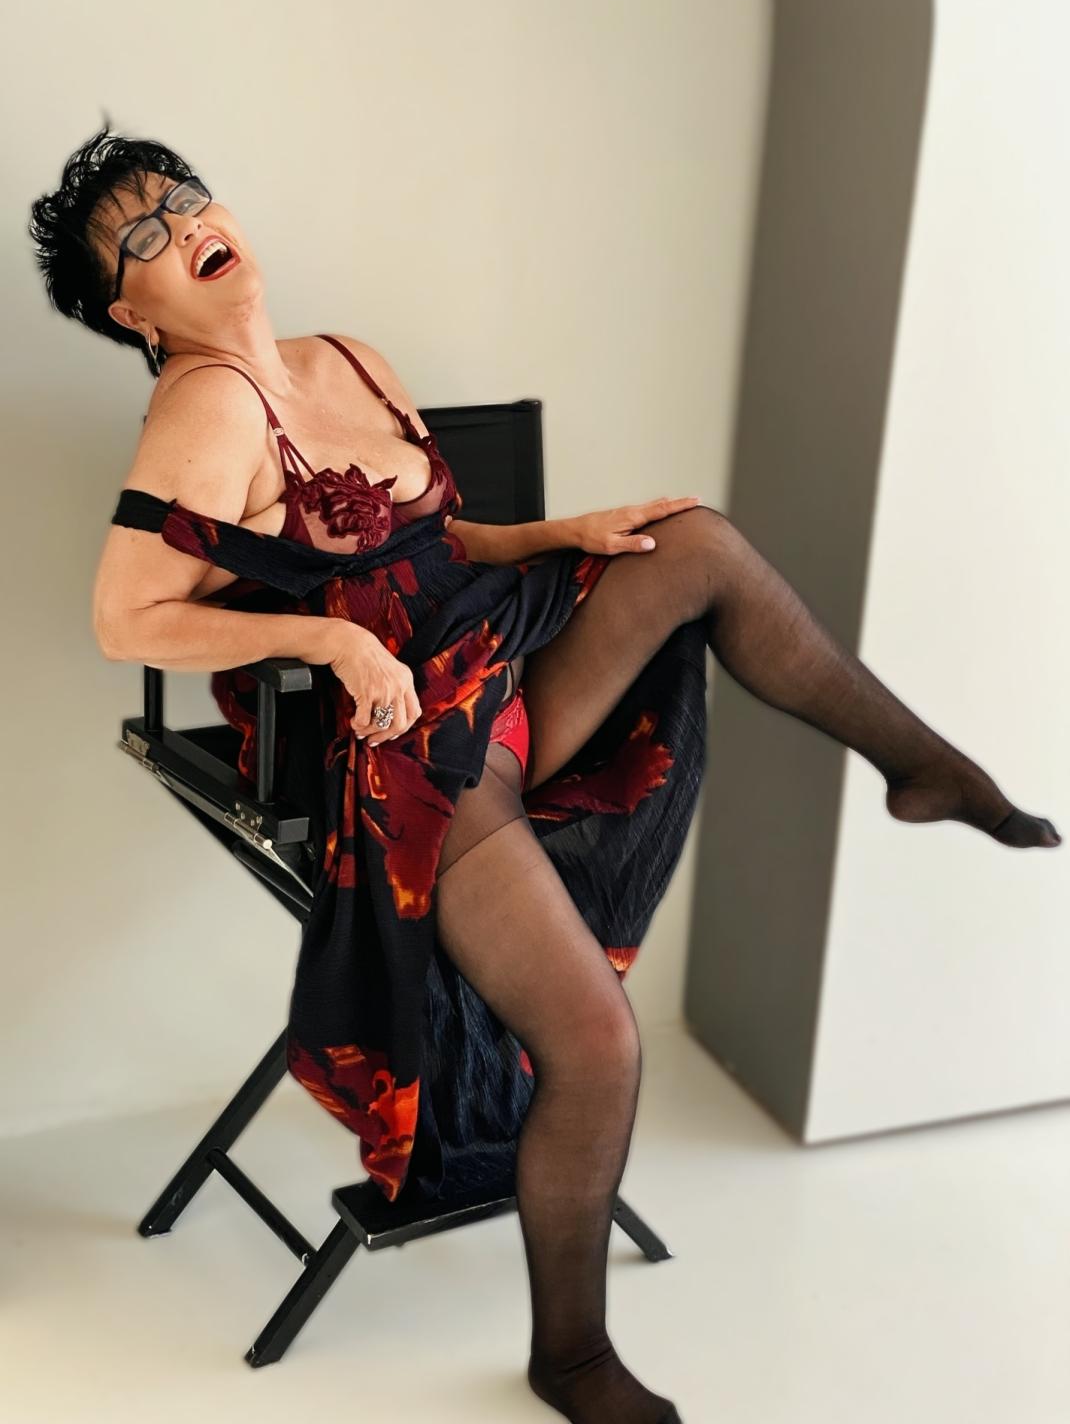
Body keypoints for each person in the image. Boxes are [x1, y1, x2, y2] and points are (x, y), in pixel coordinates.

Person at [29, 122, 1060, 1424]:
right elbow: (125, 619)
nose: (183, 228)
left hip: (493, 661)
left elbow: (437, 537)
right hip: (410, 748)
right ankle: (567, 1356)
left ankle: (925, 771)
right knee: (596, 1044)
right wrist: (333, 640)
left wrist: (561, 533)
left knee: (693, 543)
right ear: (132, 314)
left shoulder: (345, 356)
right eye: (142, 236)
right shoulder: (203, 410)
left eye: (182, 198)